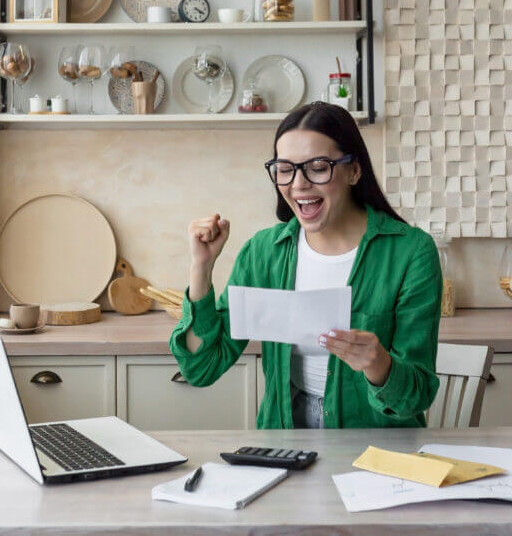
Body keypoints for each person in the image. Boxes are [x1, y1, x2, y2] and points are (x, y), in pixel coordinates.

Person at [169, 101, 442, 429]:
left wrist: (378, 364)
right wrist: (201, 268)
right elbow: (203, 367)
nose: (298, 184)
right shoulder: (263, 253)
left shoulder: (411, 253)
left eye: (317, 166)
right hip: (285, 440)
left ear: (354, 170)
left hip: (378, 450)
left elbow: (416, 397)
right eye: (285, 169)